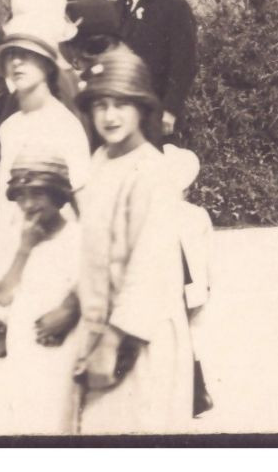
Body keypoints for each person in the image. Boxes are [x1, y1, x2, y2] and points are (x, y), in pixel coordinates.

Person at [73, 47, 194, 434]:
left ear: (142, 108)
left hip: (141, 334)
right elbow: (91, 251)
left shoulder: (151, 172)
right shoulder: (101, 162)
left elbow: (149, 267)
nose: (109, 116)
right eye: (101, 105)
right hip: (102, 323)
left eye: (121, 104)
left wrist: (112, 341)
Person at [0, 151, 83, 435]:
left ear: (57, 194)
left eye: (37, 194)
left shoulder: (78, 238)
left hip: (65, 344)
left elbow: (90, 289)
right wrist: (24, 249)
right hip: (22, 344)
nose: (28, 204)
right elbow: (3, 295)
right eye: (21, 195)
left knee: (59, 419)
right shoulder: (13, 239)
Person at [0, 21, 93, 261]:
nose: (16, 63)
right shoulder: (10, 127)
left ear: (46, 64)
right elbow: (7, 200)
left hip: (55, 256)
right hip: (13, 254)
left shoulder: (63, 124)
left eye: (26, 55)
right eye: (10, 55)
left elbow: (82, 198)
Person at [101, 0, 197, 141]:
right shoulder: (117, 7)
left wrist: (170, 110)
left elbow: (185, 63)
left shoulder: (172, 5)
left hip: (158, 115)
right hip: (125, 116)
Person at [165, 145, 214, 417]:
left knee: (173, 339)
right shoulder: (198, 215)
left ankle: (191, 394)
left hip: (174, 287)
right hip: (197, 289)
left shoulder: (160, 212)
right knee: (192, 339)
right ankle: (199, 393)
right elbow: (208, 255)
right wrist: (208, 284)